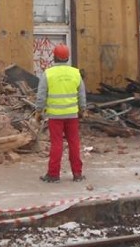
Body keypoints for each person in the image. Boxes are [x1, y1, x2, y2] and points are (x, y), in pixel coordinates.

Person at [34, 43, 86, 183]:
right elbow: (81, 94)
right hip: (72, 115)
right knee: (74, 143)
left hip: (55, 116)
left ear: (54, 57)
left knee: (57, 144)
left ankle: (53, 175)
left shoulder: (48, 73)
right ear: (67, 57)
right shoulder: (75, 73)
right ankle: (77, 174)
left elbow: (41, 95)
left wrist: (39, 111)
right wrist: (83, 109)